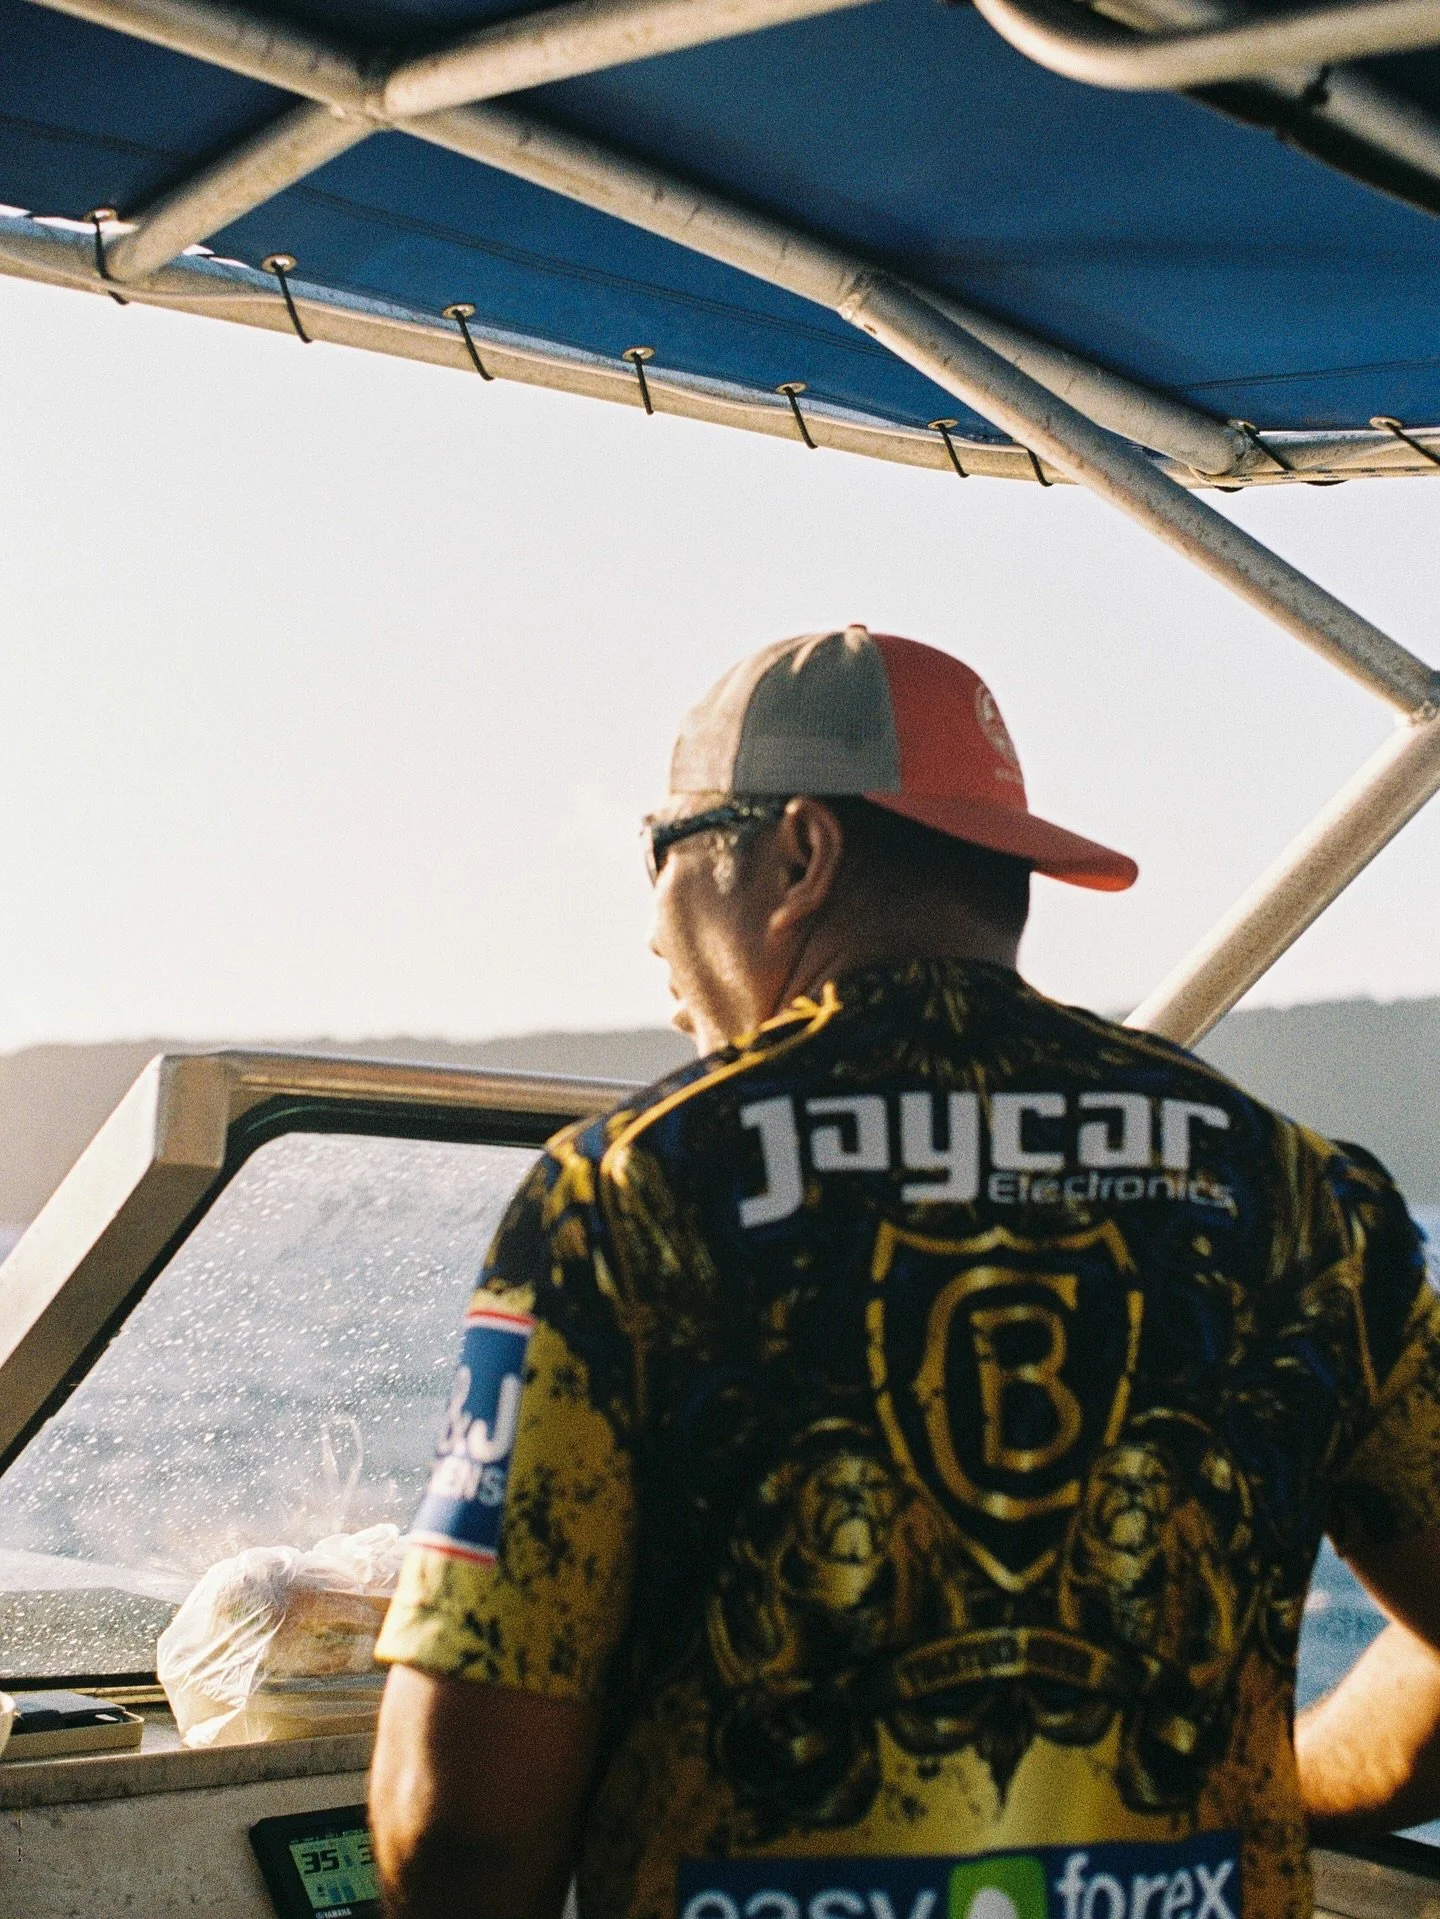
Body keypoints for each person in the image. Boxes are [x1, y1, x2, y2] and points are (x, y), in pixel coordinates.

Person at [370, 625, 1440, 1919]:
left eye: (660, 850)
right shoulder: (1304, 1198)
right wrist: (1247, 1797)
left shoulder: (629, 1197)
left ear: (800, 854)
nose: (650, 926)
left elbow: (465, 1827)